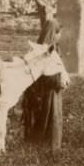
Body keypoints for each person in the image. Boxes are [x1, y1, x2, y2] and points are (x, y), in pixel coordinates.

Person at [21, 19, 66, 153]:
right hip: (47, 91)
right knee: (49, 116)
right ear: (53, 34)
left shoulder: (52, 48)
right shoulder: (42, 50)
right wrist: (58, 81)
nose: (60, 36)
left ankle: (40, 146)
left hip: (51, 89)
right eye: (58, 33)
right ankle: (47, 147)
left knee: (49, 117)